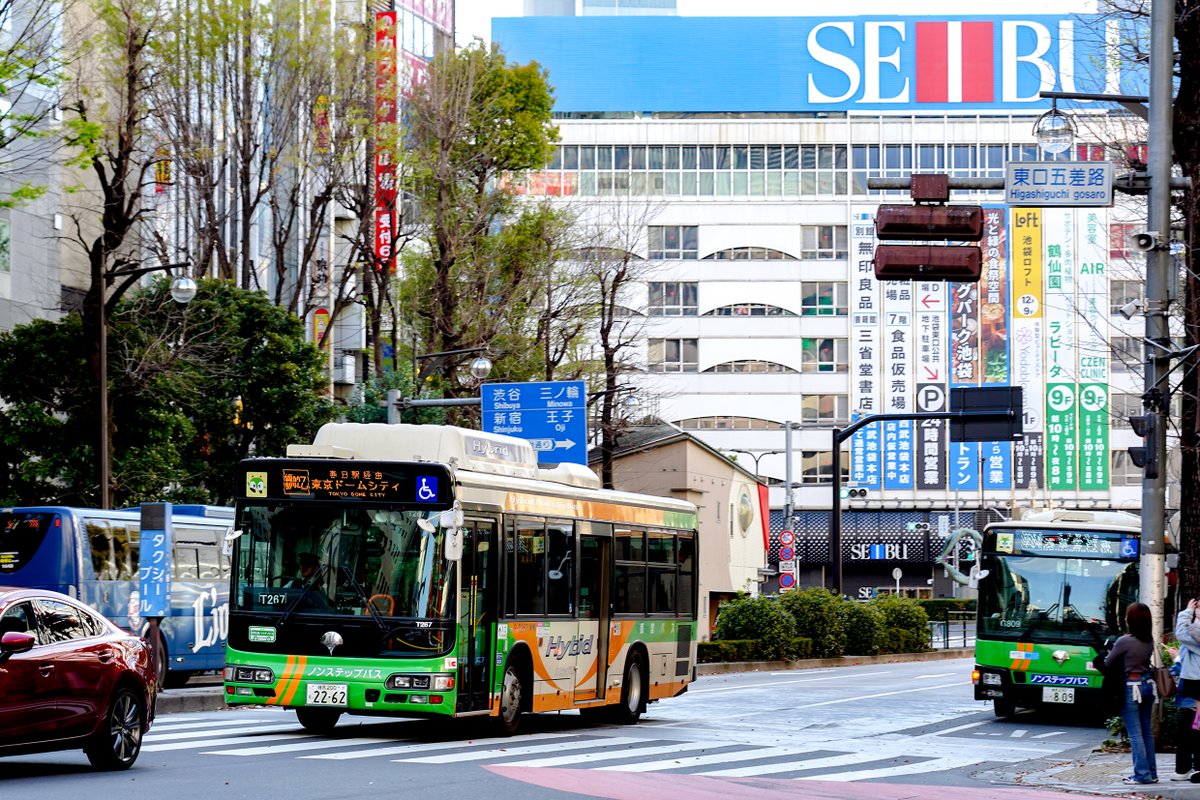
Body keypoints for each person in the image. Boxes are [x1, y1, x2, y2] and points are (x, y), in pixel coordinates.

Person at [1103, 602, 1158, 785]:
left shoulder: (1124, 641)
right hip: (1148, 685)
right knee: (1146, 732)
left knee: (1135, 734)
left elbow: (1108, 662)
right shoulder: (1148, 639)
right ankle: (1152, 772)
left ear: (1131, 620)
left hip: (1131, 687)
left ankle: (1141, 775)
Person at [1173, 599, 1200, 782]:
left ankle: (1186, 768)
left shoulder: (1195, 629)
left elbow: (1181, 633)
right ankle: (1186, 768)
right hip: (1191, 681)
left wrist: (1188, 613)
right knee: (1191, 726)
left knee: (1190, 727)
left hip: (1195, 682)